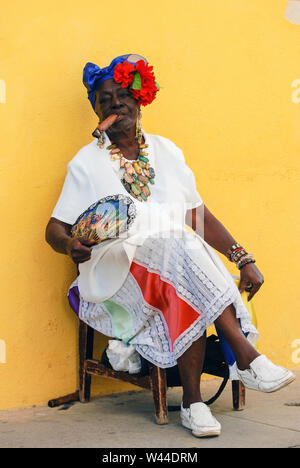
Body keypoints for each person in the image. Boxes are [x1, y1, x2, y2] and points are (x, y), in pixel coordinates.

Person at [45, 54, 295, 438]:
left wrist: (243, 258)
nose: (114, 104)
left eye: (122, 96)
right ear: (97, 112)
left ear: (139, 101)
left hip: (174, 267)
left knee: (179, 254)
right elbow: (54, 228)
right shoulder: (86, 161)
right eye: (104, 100)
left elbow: (198, 217)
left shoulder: (167, 152)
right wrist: (68, 245)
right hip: (115, 272)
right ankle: (246, 356)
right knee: (179, 247)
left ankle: (194, 405)